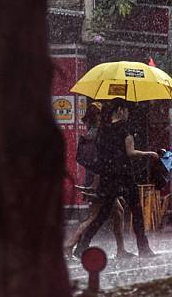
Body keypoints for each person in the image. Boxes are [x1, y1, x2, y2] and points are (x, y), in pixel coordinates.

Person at [73, 99, 158, 259]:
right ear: (120, 110)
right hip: (124, 175)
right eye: (126, 110)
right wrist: (149, 154)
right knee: (136, 210)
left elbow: (101, 152)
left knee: (103, 214)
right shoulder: (125, 129)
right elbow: (130, 152)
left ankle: (82, 246)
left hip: (108, 175)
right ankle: (143, 248)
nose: (128, 114)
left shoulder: (104, 129)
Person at [65, 102, 134, 258]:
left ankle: (120, 249)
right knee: (93, 216)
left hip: (98, 177)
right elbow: (101, 160)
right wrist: (98, 183)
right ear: (98, 115)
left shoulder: (92, 132)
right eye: (103, 113)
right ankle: (69, 244)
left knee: (118, 212)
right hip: (100, 179)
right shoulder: (99, 133)